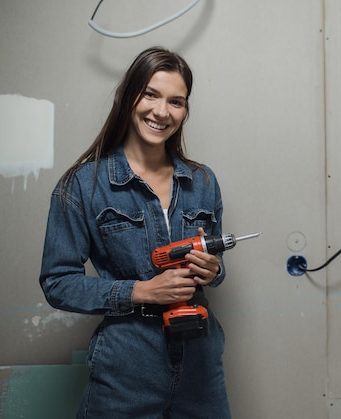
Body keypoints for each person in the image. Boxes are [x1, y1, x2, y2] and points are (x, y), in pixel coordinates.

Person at [39, 47, 231, 418]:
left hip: (201, 365)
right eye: (151, 94)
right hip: (126, 366)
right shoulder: (83, 186)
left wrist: (214, 269)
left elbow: (217, 261)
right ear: (128, 97)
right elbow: (57, 282)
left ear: (185, 110)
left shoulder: (203, 181)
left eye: (176, 101)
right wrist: (141, 290)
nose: (162, 111)